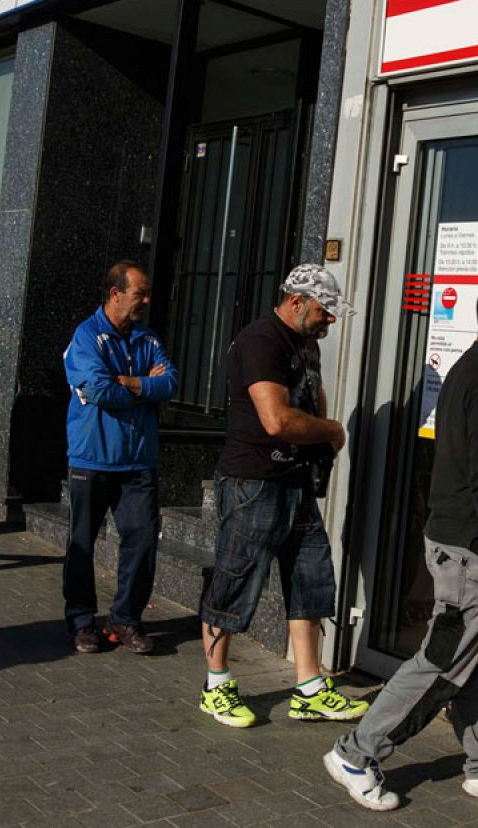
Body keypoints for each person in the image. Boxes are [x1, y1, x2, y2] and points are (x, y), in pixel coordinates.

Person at [327, 279, 478, 811]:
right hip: (473, 546)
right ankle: (358, 752)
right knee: (444, 660)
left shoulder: (465, 370)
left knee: (466, 658)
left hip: (451, 538)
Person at [199, 263, 364, 726]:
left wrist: (321, 437)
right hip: (254, 482)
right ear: (296, 302)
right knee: (235, 580)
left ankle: (309, 687)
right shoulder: (261, 342)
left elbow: (312, 394)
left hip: (295, 480)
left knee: (310, 581)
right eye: (324, 311)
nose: (329, 320)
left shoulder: (304, 342)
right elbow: (276, 420)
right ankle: (217, 685)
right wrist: (332, 430)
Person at [59, 262, 178, 651]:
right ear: (115, 294)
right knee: (82, 542)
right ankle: (80, 620)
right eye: (139, 293)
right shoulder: (86, 337)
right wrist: (146, 387)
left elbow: (171, 382)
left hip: (138, 460)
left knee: (142, 541)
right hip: (92, 457)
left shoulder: (148, 337)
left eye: (146, 294)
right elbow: (96, 390)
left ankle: (125, 619)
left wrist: (129, 382)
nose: (146, 300)